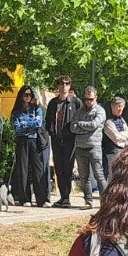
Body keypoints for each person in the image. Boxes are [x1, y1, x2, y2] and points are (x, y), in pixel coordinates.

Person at [10, 86, 50, 206]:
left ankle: (42, 199)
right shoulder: (16, 111)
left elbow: (38, 123)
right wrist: (27, 125)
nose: (28, 97)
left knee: (38, 169)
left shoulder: (37, 109)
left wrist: (24, 123)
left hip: (35, 140)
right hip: (22, 141)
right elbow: (17, 128)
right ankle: (25, 198)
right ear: (21, 96)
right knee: (23, 169)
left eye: (30, 95)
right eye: (25, 95)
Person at [70, 86, 107, 209]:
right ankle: (88, 201)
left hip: (94, 147)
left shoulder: (100, 111)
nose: (88, 101)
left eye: (91, 99)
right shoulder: (79, 111)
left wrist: (80, 125)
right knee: (83, 176)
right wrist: (86, 128)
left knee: (99, 175)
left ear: (96, 97)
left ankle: (106, 202)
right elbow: (72, 128)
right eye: (86, 99)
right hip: (80, 148)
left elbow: (94, 125)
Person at [46, 76, 80, 207]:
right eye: (61, 84)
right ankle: (63, 197)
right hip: (56, 140)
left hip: (70, 140)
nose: (64, 86)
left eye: (67, 84)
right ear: (58, 86)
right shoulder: (53, 103)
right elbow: (48, 120)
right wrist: (51, 132)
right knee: (59, 168)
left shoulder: (75, 102)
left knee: (68, 167)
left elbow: (81, 117)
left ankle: (67, 197)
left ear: (69, 86)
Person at [101, 96, 128, 193]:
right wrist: (125, 137)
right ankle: (111, 194)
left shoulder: (122, 120)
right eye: (118, 106)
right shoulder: (108, 122)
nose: (120, 109)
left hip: (123, 151)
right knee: (112, 174)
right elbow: (116, 138)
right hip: (112, 152)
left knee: (122, 173)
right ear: (112, 107)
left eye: (122, 106)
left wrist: (124, 136)